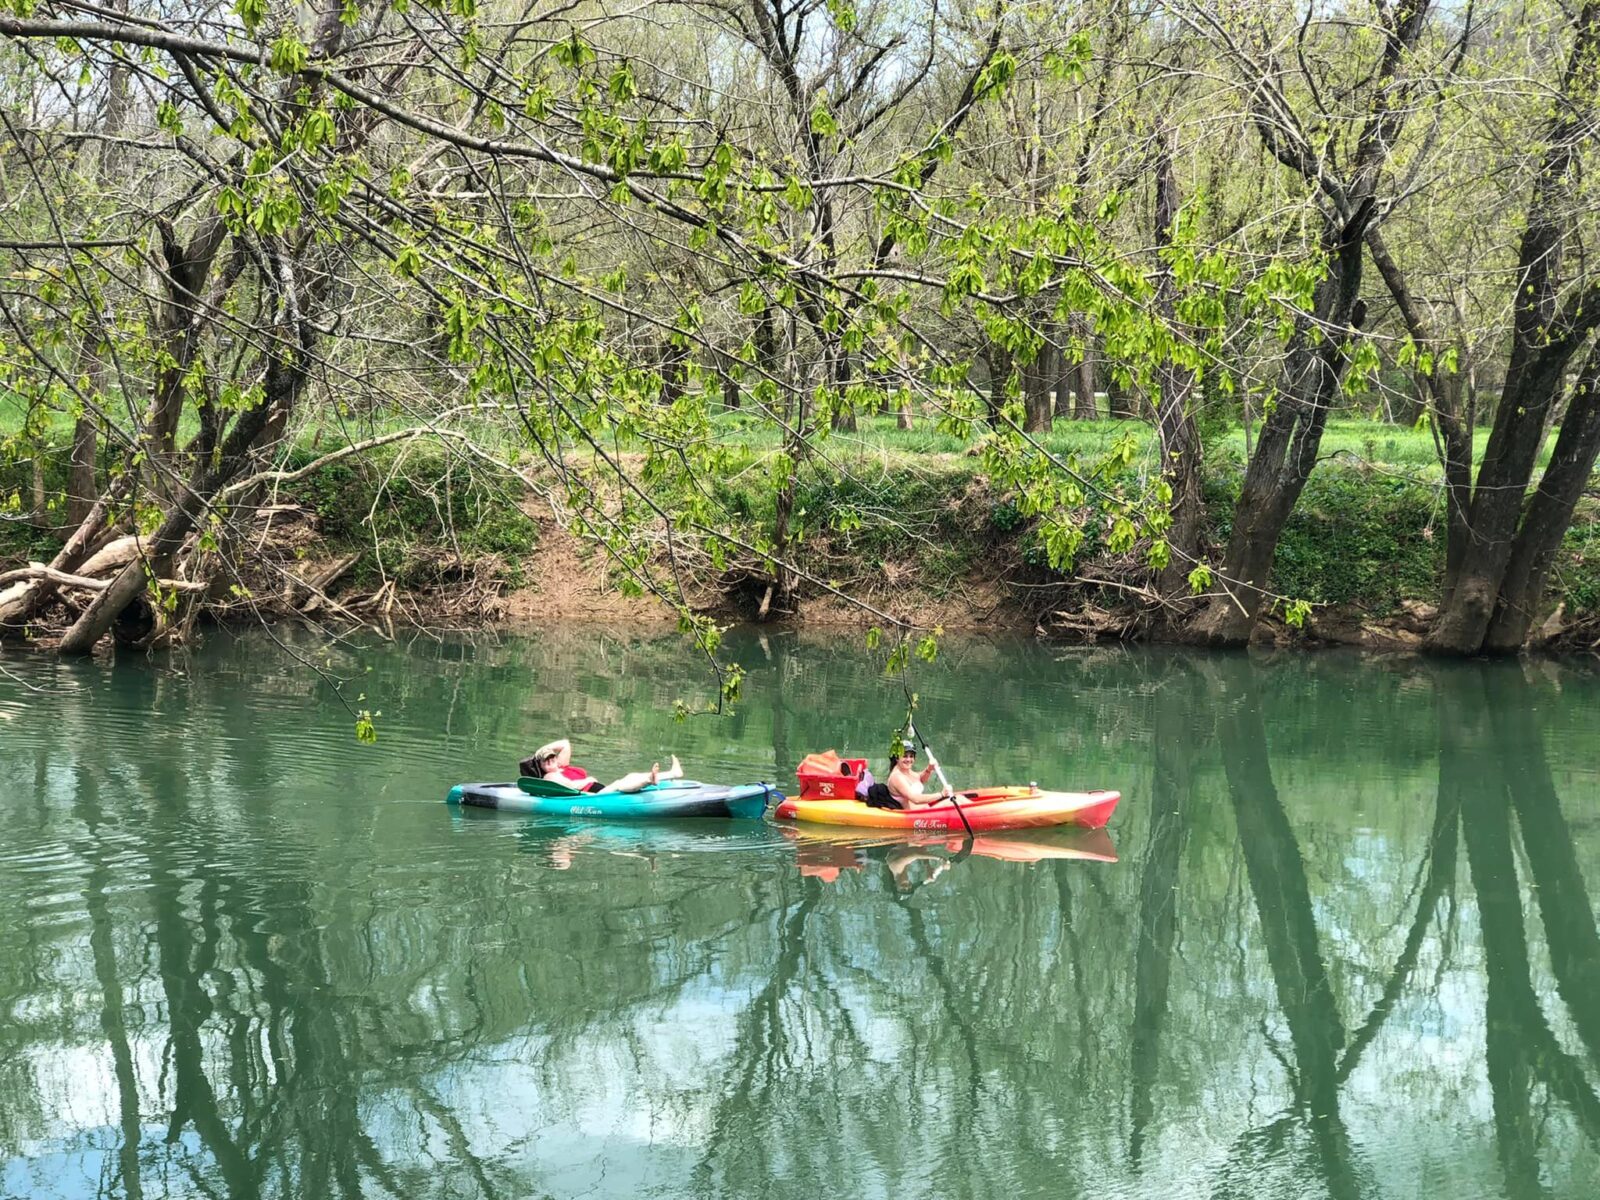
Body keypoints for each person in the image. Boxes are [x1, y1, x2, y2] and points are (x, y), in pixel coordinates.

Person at [521, 738, 683, 794]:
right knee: (621, 783)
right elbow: (570, 786)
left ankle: (673, 773)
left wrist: (541, 751)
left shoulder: (561, 766)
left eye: (551, 757)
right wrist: (587, 780)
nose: (550, 760)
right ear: (541, 766)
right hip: (592, 798)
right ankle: (650, 779)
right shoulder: (550, 776)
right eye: (545, 761)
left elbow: (565, 743)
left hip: (597, 790)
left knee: (630, 777)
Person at [885, 743, 952, 809]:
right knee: (960, 800)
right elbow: (915, 799)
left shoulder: (905, 769)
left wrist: (929, 769)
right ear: (897, 758)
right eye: (905, 756)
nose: (908, 759)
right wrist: (941, 794)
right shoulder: (896, 777)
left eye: (911, 756)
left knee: (960, 798)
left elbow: (920, 779)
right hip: (915, 815)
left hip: (925, 810)